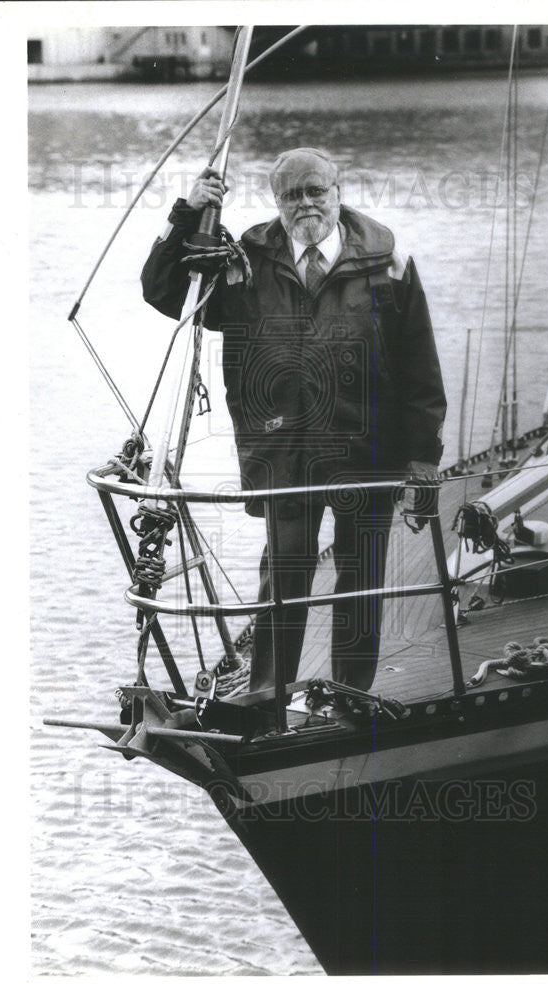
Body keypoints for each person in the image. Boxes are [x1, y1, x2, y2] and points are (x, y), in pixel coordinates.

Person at [141, 147, 446, 695]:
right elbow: (164, 294)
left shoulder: (389, 263)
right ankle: (266, 701)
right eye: (291, 195)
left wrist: (424, 458)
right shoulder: (243, 263)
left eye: (315, 192)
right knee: (282, 580)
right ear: (275, 201)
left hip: (368, 451)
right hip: (282, 449)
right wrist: (188, 212)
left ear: (338, 191)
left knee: (360, 581)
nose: (305, 204)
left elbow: (419, 366)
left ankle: (352, 696)